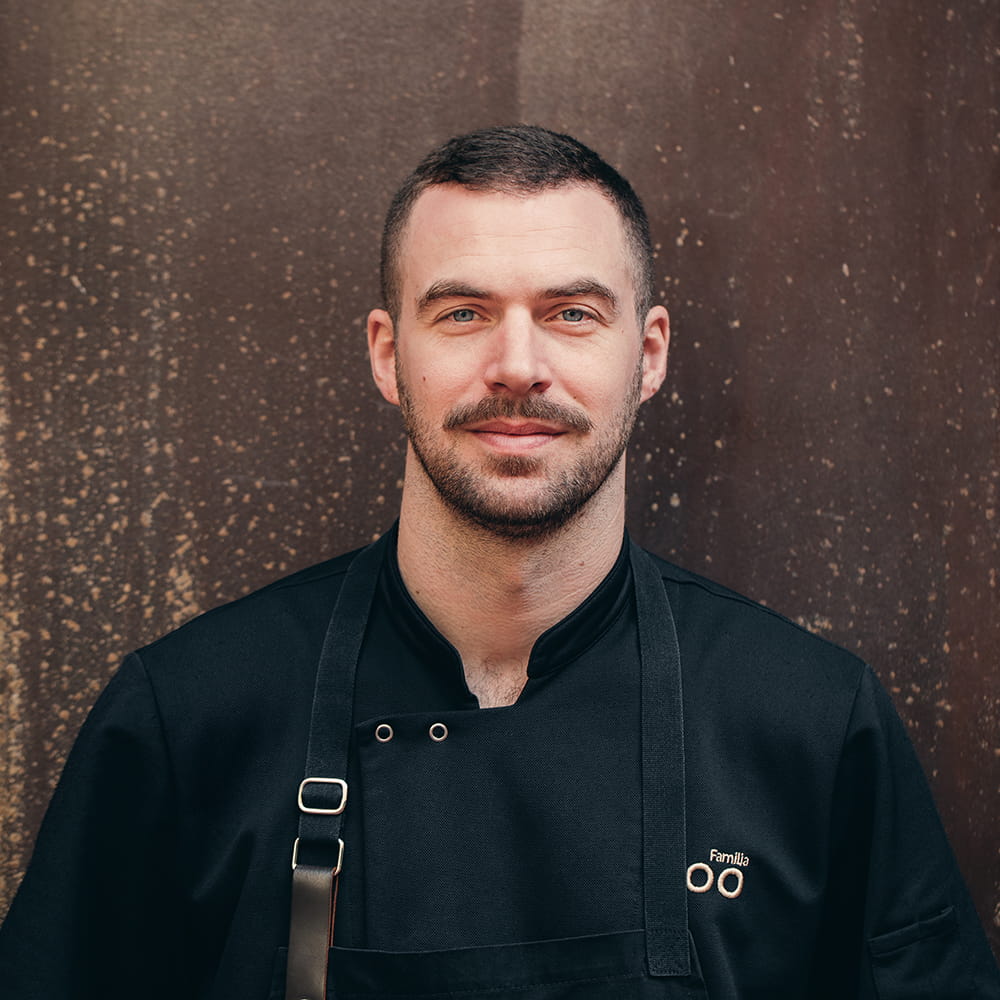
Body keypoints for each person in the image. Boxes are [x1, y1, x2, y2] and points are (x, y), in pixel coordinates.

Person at [0, 125, 997, 1000]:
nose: (518, 365)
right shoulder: (187, 719)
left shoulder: (813, 725)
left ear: (648, 354)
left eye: (572, 313)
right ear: (387, 354)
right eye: (463, 312)